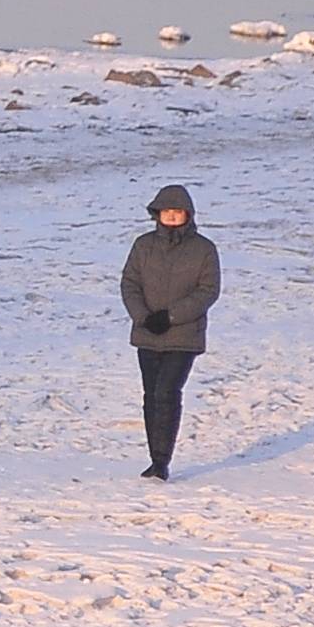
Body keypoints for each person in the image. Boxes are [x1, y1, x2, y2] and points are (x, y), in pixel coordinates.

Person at [118, 183, 220, 481]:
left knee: (167, 391)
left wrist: (172, 317)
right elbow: (130, 283)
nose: (172, 217)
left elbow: (208, 291)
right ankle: (154, 459)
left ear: (187, 215)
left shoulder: (204, 249)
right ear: (157, 215)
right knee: (151, 395)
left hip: (184, 335)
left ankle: (162, 461)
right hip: (147, 333)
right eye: (166, 212)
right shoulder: (143, 245)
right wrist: (143, 317)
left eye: (177, 212)